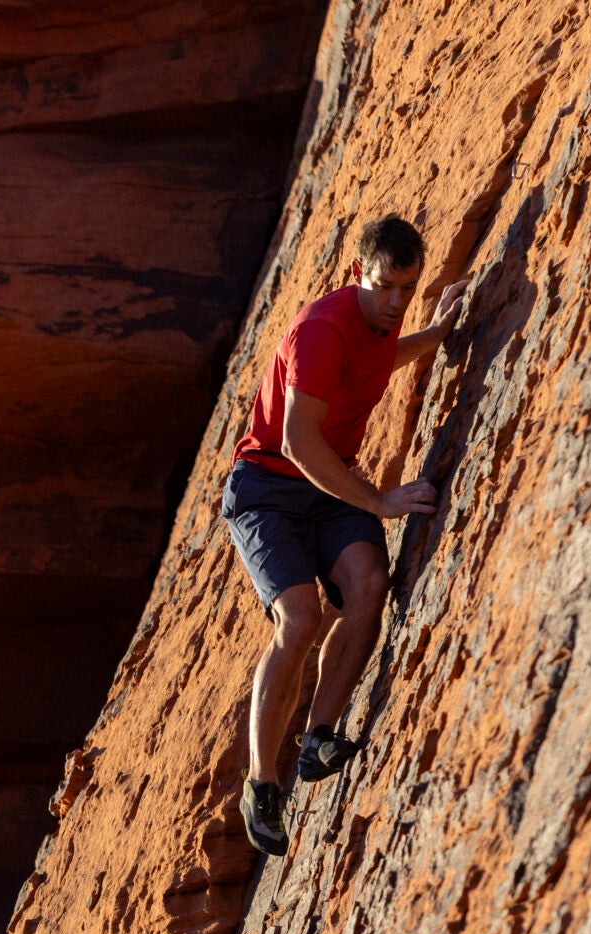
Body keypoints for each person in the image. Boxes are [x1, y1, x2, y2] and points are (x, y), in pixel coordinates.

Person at [224, 215, 468, 858]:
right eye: (385, 285)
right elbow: (299, 442)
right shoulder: (322, 330)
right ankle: (261, 785)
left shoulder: (382, 322)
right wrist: (379, 502)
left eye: (407, 289)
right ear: (358, 271)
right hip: (268, 488)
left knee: (368, 584)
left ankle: (319, 736)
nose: (395, 301)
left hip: (329, 486)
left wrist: (434, 333)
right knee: (300, 617)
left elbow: (385, 355)